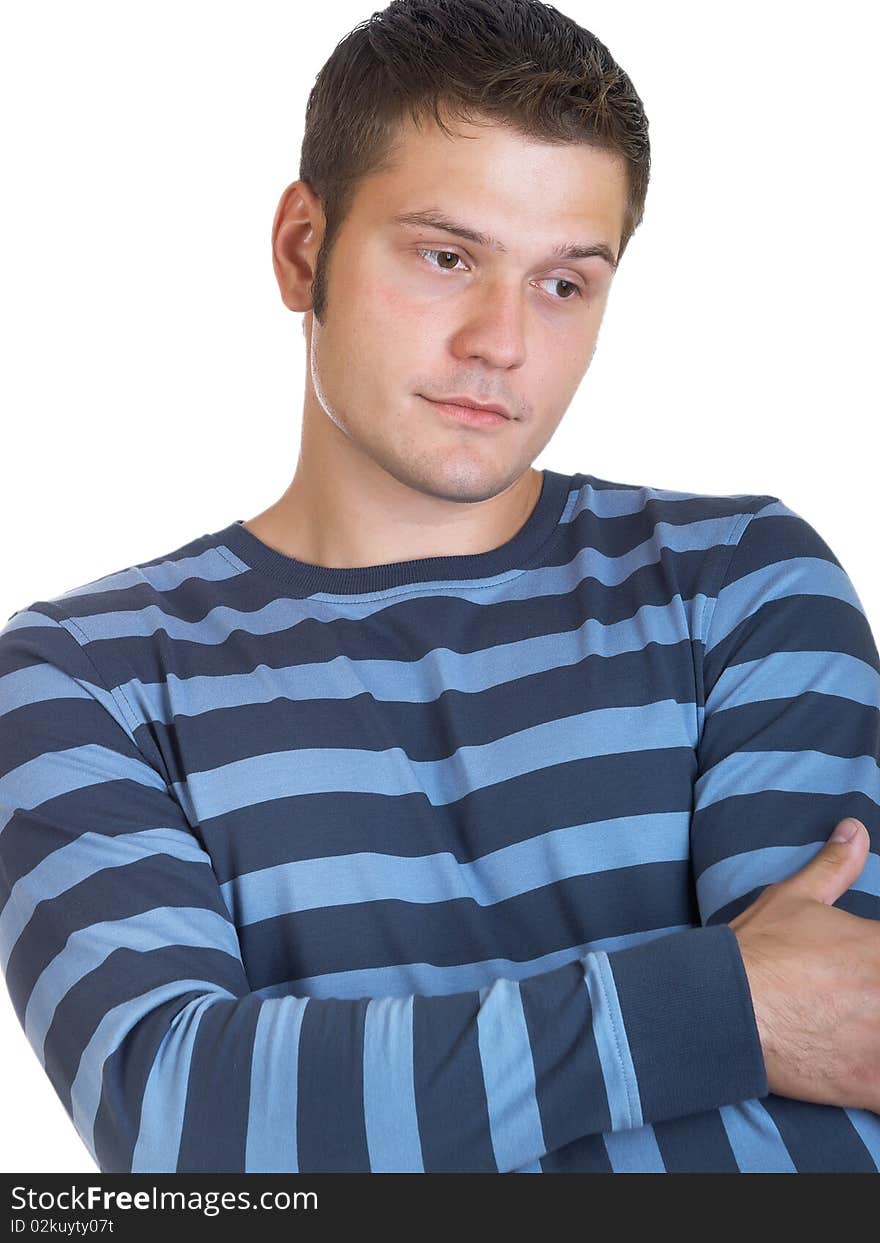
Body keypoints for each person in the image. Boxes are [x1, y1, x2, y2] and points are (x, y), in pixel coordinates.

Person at [0, 0, 878, 1174]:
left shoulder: (741, 583)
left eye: (564, 283)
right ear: (302, 248)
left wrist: (363, 1105)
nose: (500, 341)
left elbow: (839, 1086)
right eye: (446, 256)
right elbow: (185, 1134)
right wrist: (717, 1013)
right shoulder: (80, 677)